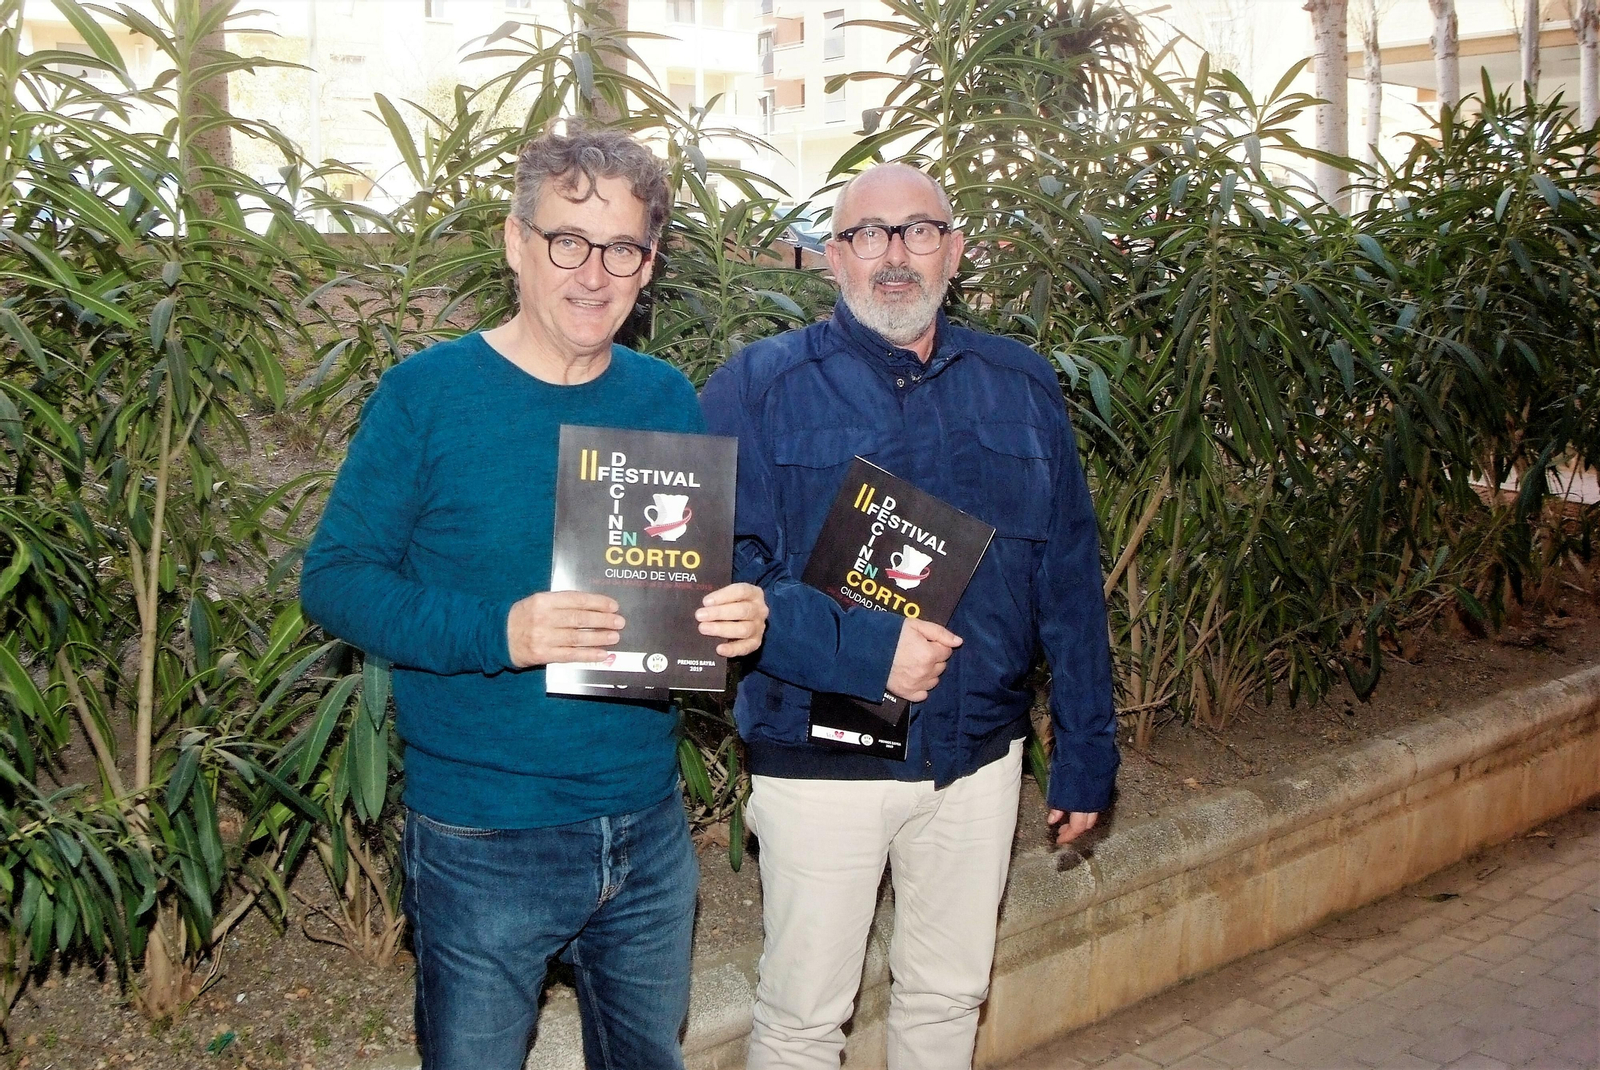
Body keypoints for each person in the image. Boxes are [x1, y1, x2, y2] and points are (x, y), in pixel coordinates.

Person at [300, 126, 767, 1070]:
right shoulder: (425, 396)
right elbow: (335, 580)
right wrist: (499, 631)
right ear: (516, 242)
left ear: (650, 266)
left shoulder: (665, 398)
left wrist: (733, 615)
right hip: (482, 834)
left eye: (623, 249)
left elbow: (683, 581)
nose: (594, 274)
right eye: (568, 241)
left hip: (647, 823)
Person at [699, 163, 1117, 1070]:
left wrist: (1086, 751)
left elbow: (1071, 579)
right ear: (831, 259)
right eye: (868, 235)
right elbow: (723, 572)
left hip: (978, 756)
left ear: (955, 251)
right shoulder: (758, 386)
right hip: (819, 755)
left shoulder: (1022, 383)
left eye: (919, 231)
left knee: (948, 994)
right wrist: (867, 651)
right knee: (806, 1014)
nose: (895, 255)